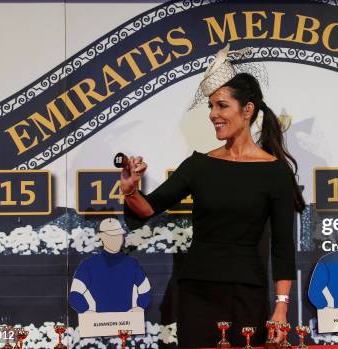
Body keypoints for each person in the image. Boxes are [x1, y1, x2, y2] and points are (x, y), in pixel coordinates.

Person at [121, 44, 305, 348]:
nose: (213, 115)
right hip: (197, 290)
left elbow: (283, 247)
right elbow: (146, 209)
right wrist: (130, 190)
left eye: (221, 106)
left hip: (246, 292)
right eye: (211, 106)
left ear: (247, 110)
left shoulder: (275, 172)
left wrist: (282, 306)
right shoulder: (199, 165)